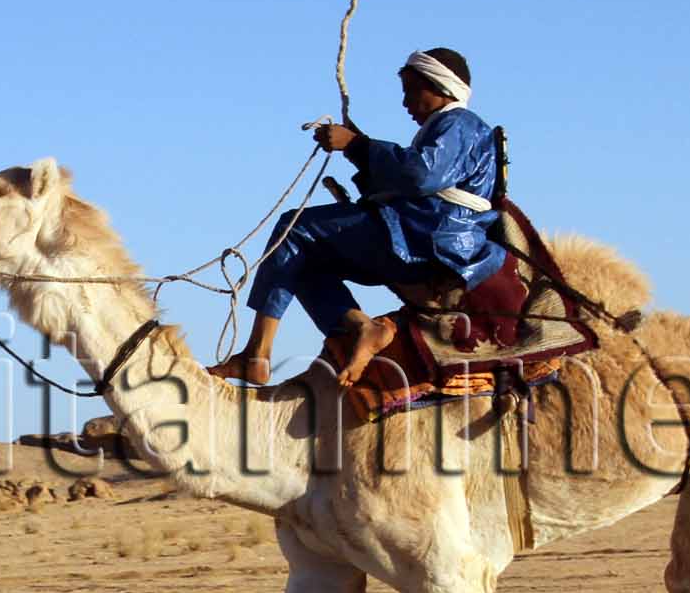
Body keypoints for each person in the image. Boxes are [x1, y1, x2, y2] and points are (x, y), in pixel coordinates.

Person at [213, 47, 507, 387]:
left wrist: (356, 145)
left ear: (441, 87)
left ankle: (256, 355)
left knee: (292, 229)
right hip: (423, 232)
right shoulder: (449, 128)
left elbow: (420, 175)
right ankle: (361, 328)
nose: (405, 103)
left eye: (412, 91)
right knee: (300, 262)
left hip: (428, 238)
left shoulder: (461, 124)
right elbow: (410, 179)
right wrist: (357, 147)